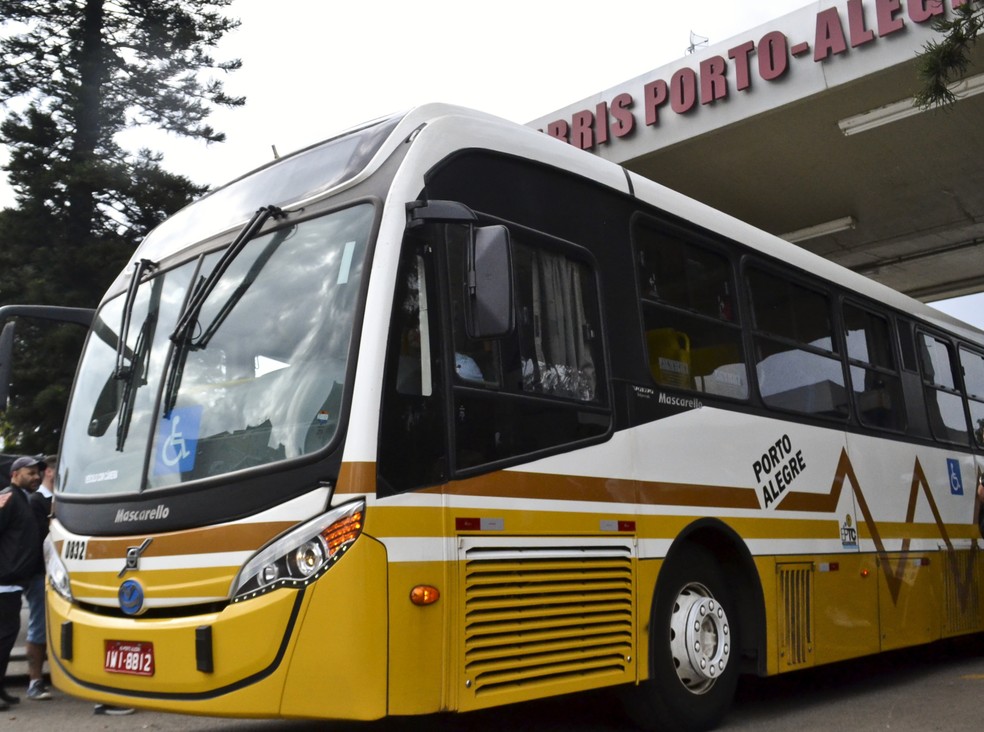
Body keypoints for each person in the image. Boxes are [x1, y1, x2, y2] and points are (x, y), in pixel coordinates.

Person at [0, 456, 44, 711]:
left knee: (6, 637)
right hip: (5, 581)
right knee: (4, 637)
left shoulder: (22, 498)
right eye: (30, 473)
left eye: (38, 473)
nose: (36, 477)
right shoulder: (7, 497)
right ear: (15, 474)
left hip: (15, 581)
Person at [23, 455, 55, 700]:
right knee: (39, 626)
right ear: (51, 472)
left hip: (62, 572)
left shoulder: (65, 499)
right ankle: (35, 681)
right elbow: (37, 540)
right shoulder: (36, 502)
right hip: (40, 573)